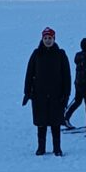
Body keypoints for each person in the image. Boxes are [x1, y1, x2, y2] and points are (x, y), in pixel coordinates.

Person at [22, 28, 73, 156]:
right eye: (45, 38)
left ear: (54, 39)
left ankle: (57, 148)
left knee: (56, 122)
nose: (48, 40)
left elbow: (67, 75)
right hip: (39, 95)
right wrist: (27, 92)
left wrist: (66, 94)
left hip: (57, 94)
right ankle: (41, 147)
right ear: (42, 39)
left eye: (50, 38)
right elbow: (29, 73)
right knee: (41, 122)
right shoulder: (36, 54)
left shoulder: (60, 54)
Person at [64, 36, 86, 133]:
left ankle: (66, 118)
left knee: (78, 101)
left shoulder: (81, 56)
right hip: (84, 84)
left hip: (78, 83)